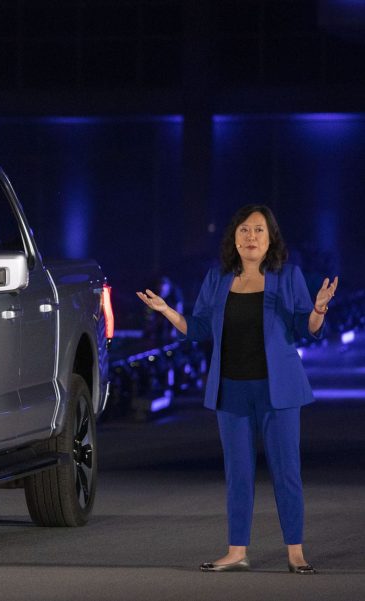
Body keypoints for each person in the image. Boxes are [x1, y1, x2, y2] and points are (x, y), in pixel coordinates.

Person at [136, 204, 338, 575]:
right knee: (238, 473)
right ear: (234, 237)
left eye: (259, 230)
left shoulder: (288, 276)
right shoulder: (218, 278)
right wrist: (167, 311)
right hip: (231, 391)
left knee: (286, 471)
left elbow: (302, 326)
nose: (251, 237)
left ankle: (295, 552)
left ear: (271, 238)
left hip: (279, 391)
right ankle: (236, 551)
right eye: (244, 230)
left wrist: (319, 310)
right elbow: (198, 329)